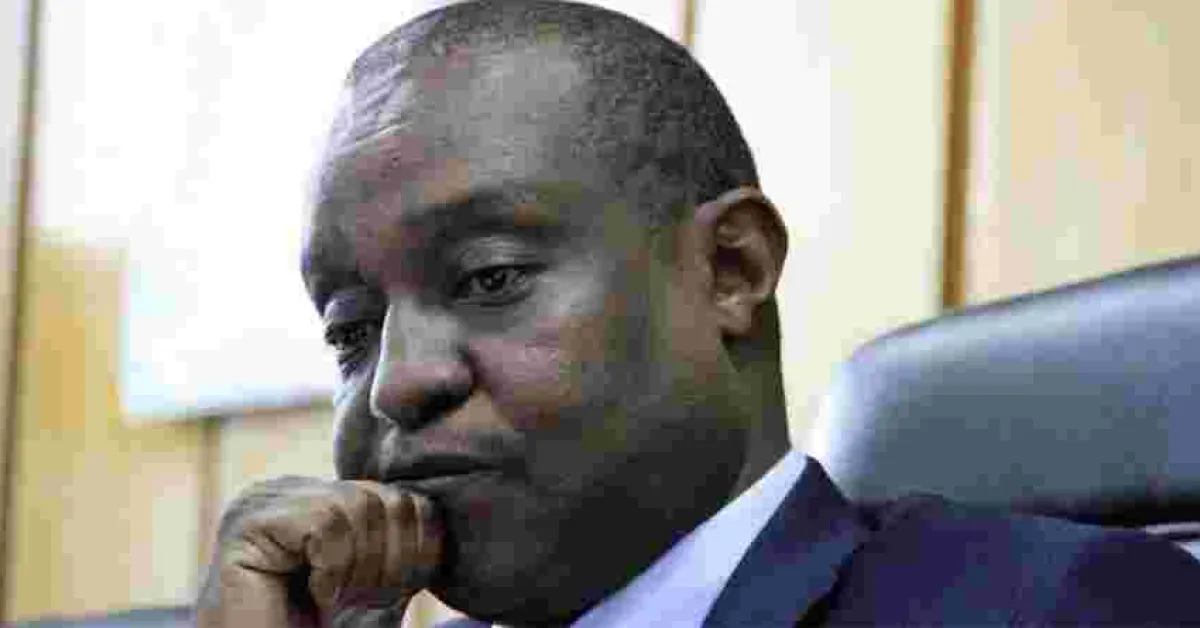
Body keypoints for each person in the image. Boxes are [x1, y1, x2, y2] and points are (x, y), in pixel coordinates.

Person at [195, 1, 1200, 626]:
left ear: (730, 269)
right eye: (350, 329)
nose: (396, 381)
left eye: (491, 277)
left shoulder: (1062, 610)